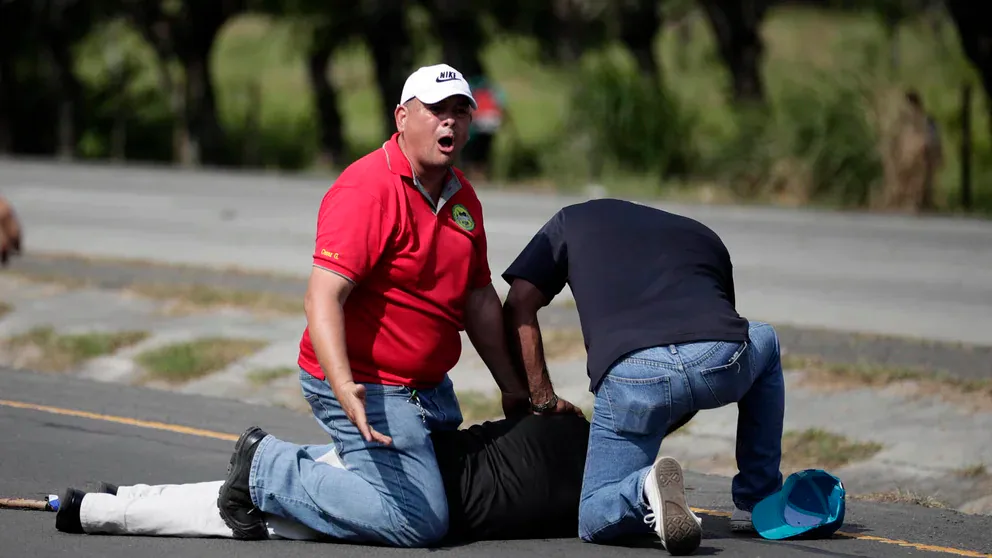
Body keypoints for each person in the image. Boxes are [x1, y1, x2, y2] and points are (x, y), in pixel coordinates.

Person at [213, 63, 531, 547]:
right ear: (402, 117)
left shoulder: (462, 196)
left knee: (457, 496)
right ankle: (265, 468)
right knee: (419, 521)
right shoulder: (366, 189)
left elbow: (479, 299)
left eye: (460, 111)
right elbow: (323, 295)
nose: (450, 122)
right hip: (367, 382)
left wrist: (513, 387)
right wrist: (343, 386)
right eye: (436, 110)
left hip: (428, 391)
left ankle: (347, 464)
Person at [502, 198, 785, 555]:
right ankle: (756, 499)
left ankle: (643, 489)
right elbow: (717, 330)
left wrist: (541, 399)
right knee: (767, 340)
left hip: (631, 374)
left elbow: (518, 305)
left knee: (593, 514)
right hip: (719, 360)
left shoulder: (571, 220)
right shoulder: (703, 235)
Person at [53, 413, 592, 543]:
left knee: (240, 504)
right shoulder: (590, 497)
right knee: (248, 517)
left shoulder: (559, 422)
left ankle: (111, 500)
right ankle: (101, 508)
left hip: (406, 450)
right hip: (403, 494)